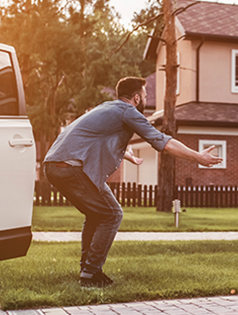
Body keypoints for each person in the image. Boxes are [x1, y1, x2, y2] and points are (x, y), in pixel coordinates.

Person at [43, 77, 222, 287]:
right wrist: (198, 157)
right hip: (71, 168)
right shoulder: (129, 112)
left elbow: (94, 138)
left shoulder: (106, 108)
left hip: (54, 165)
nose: (146, 99)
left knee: (96, 214)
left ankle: (88, 269)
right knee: (112, 214)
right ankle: (91, 273)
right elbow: (162, 141)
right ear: (136, 98)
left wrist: (127, 156)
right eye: (145, 96)